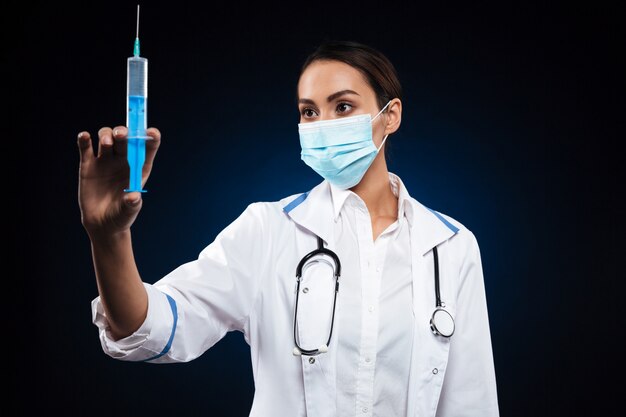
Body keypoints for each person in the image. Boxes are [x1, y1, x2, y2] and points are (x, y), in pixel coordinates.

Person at [77, 40, 499, 417]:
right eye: (309, 112)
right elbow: (152, 328)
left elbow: (471, 402)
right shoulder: (268, 231)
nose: (323, 124)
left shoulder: (450, 247)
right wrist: (109, 237)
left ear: (391, 117)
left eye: (344, 107)